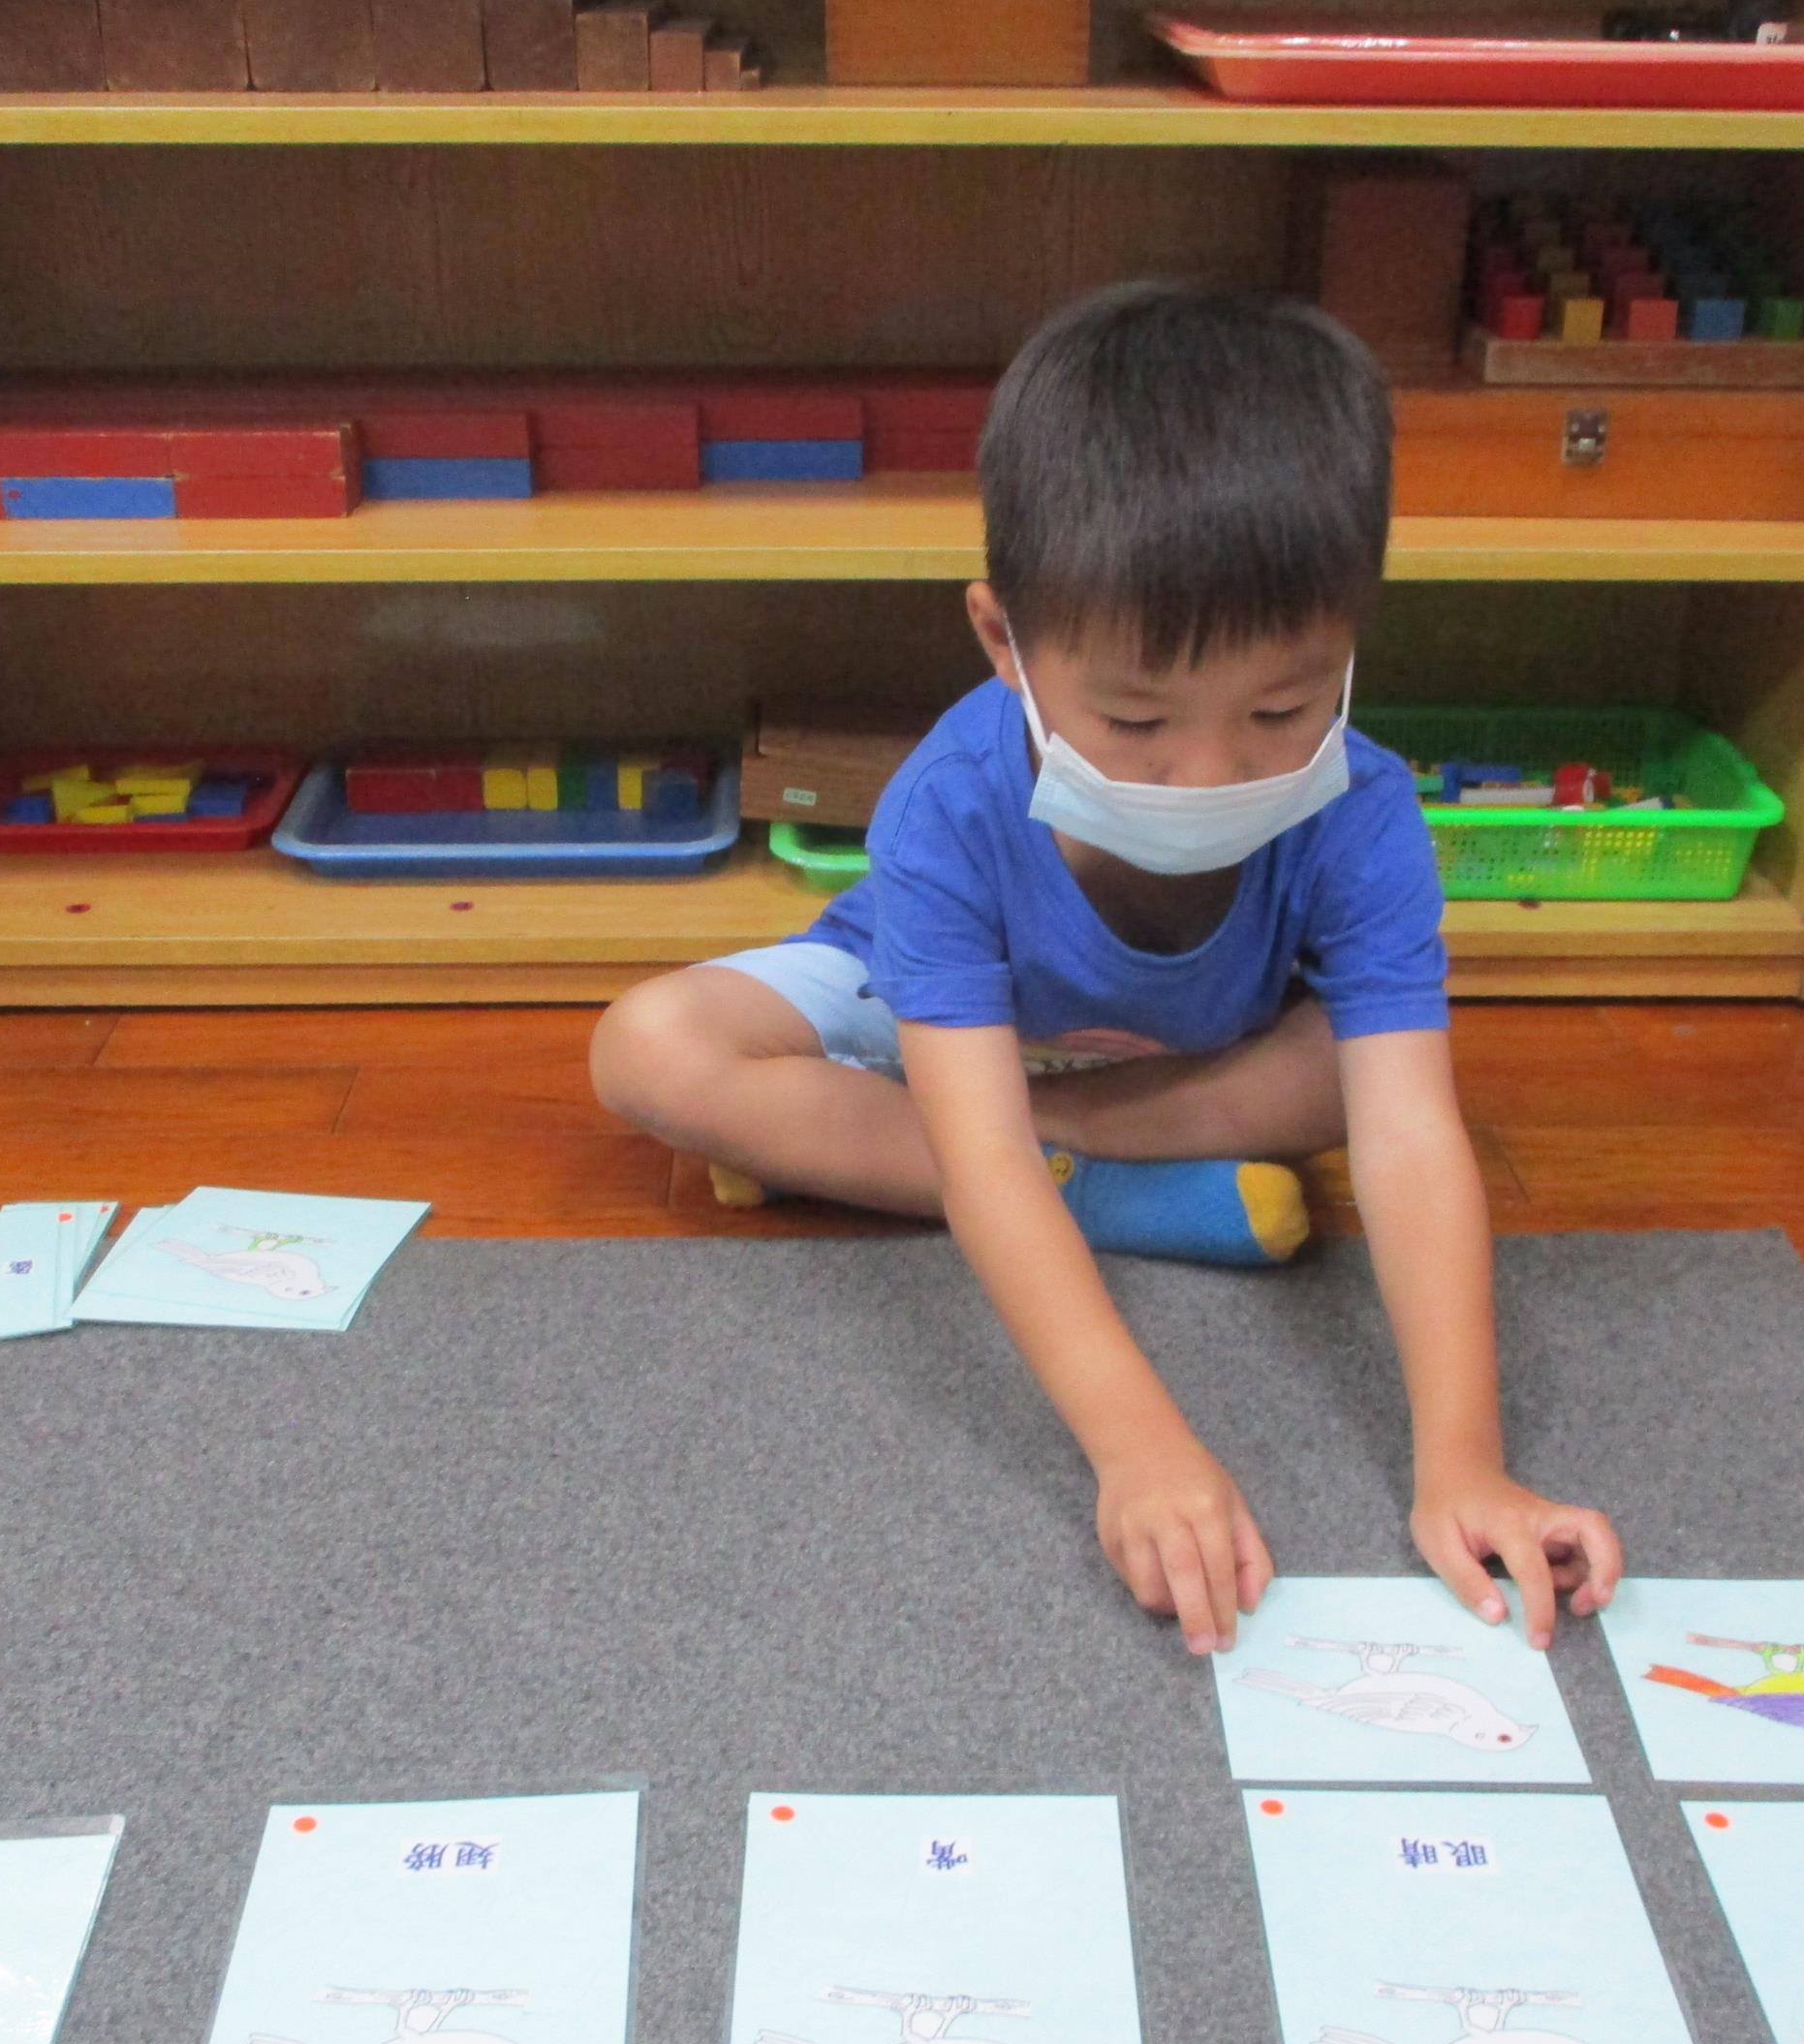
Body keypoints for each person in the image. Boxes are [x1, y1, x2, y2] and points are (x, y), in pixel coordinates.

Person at [591, 280, 1622, 1656]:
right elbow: (980, 1162)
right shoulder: (951, 801)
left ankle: (1028, 1153)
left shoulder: (1363, 809)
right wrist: (1139, 1445)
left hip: (1180, 1062)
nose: (1211, 772)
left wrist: (1467, 1462)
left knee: (1375, 1076)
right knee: (648, 1046)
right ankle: (1122, 1191)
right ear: (1003, 643)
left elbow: (1411, 1136)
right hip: (945, 1032)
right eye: (1136, 721)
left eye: (1283, 707)